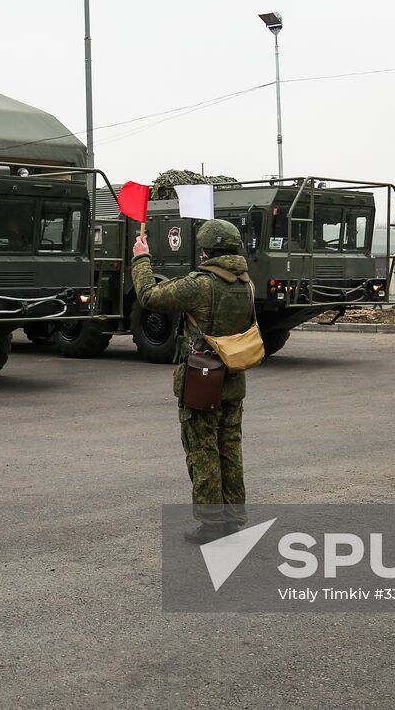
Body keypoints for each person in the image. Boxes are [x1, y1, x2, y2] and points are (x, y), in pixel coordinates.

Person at [131, 218, 255, 544]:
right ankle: (232, 518)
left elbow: (149, 295)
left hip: (203, 379)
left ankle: (211, 525)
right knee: (229, 448)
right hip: (234, 379)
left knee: (202, 451)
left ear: (205, 250)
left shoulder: (200, 284)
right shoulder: (246, 283)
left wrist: (141, 258)